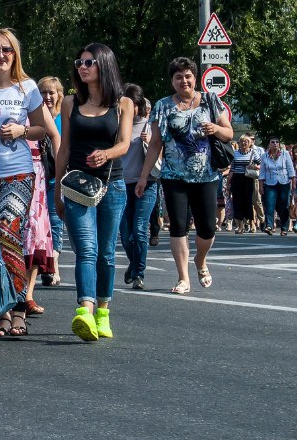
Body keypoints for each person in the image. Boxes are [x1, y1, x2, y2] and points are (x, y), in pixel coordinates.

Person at [0, 28, 59, 338]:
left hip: (18, 173)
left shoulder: (27, 88)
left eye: (6, 50)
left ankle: (19, 309)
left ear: (15, 54)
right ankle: (1, 313)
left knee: (7, 229)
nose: (0, 55)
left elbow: (44, 130)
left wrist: (21, 131)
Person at [53, 43, 133, 342]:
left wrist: (107, 153)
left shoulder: (123, 104)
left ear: (104, 65)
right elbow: (64, 149)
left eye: (89, 62)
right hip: (76, 186)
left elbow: (125, 143)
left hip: (112, 185)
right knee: (86, 248)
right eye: (79, 62)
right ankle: (85, 311)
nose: (82, 67)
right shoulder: (70, 103)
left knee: (106, 253)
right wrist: (57, 188)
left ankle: (103, 313)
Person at [137, 56, 233, 297]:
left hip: (207, 176)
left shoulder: (210, 100)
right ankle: (183, 277)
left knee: (207, 228)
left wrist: (216, 129)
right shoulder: (163, 106)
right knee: (178, 226)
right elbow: (156, 142)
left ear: (195, 77)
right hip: (173, 176)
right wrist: (143, 176)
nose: (184, 81)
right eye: (178, 77)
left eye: (188, 76)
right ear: (172, 81)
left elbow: (229, 134)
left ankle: (200, 260)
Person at [119, 85, 156, 290]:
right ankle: (133, 264)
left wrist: (150, 143)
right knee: (125, 233)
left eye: (129, 103)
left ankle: (138, 274)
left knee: (139, 230)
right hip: (121, 184)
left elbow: (162, 155)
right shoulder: (118, 125)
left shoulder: (150, 125)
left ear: (138, 105)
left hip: (147, 183)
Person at [37, 76, 66, 288]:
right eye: (43, 93)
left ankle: (53, 265)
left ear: (59, 95)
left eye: (51, 92)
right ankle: (46, 264)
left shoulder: (64, 117)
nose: (47, 97)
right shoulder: (34, 115)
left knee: (56, 221)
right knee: (40, 223)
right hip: (38, 176)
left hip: (58, 175)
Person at [258, 137, 295, 237]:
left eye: (277, 142)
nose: (275, 144)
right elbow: (262, 172)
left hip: (284, 182)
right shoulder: (265, 156)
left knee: (283, 206)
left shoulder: (285, 154)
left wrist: (294, 184)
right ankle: (269, 226)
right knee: (270, 205)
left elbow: (291, 170)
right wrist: (261, 186)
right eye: (272, 142)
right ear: (269, 144)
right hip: (270, 183)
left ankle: (284, 228)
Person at [229, 135, 263, 234]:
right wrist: (228, 183)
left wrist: (255, 166)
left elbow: (261, 165)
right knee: (237, 202)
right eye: (242, 141)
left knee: (248, 202)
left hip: (248, 179)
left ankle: (252, 223)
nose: (244, 143)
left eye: (246, 142)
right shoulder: (235, 153)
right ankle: (240, 226)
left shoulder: (253, 153)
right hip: (237, 178)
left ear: (250, 143)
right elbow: (232, 169)